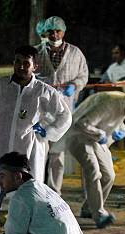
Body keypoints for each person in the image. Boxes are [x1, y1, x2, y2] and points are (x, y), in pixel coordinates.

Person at [0, 45, 72, 234]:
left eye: (26, 63)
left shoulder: (43, 91)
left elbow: (65, 116)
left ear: (35, 66)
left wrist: (48, 132)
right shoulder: (0, 86)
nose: (20, 66)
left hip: (27, 158)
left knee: (29, 205)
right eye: (17, 61)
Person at [67, 90, 125, 228]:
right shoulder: (109, 103)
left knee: (109, 176)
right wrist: (100, 134)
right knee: (93, 170)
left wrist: (121, 129)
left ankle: (89, 208)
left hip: (96, 138)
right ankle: (99, 214)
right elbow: (81, 123)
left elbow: (115, 120)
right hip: (78, 134)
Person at [35, 16, 89, 195]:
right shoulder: (37, 52)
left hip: (63, 109)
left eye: (58, 31)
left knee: (57, 154)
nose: (54, 34)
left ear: (64, 32)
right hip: (41, 109)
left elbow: (83, 75)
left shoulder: (75, 53)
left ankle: (54, 192)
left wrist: (75, 85)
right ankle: (37, 188)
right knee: (38, 151)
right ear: (46, 32)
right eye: (51, 31)